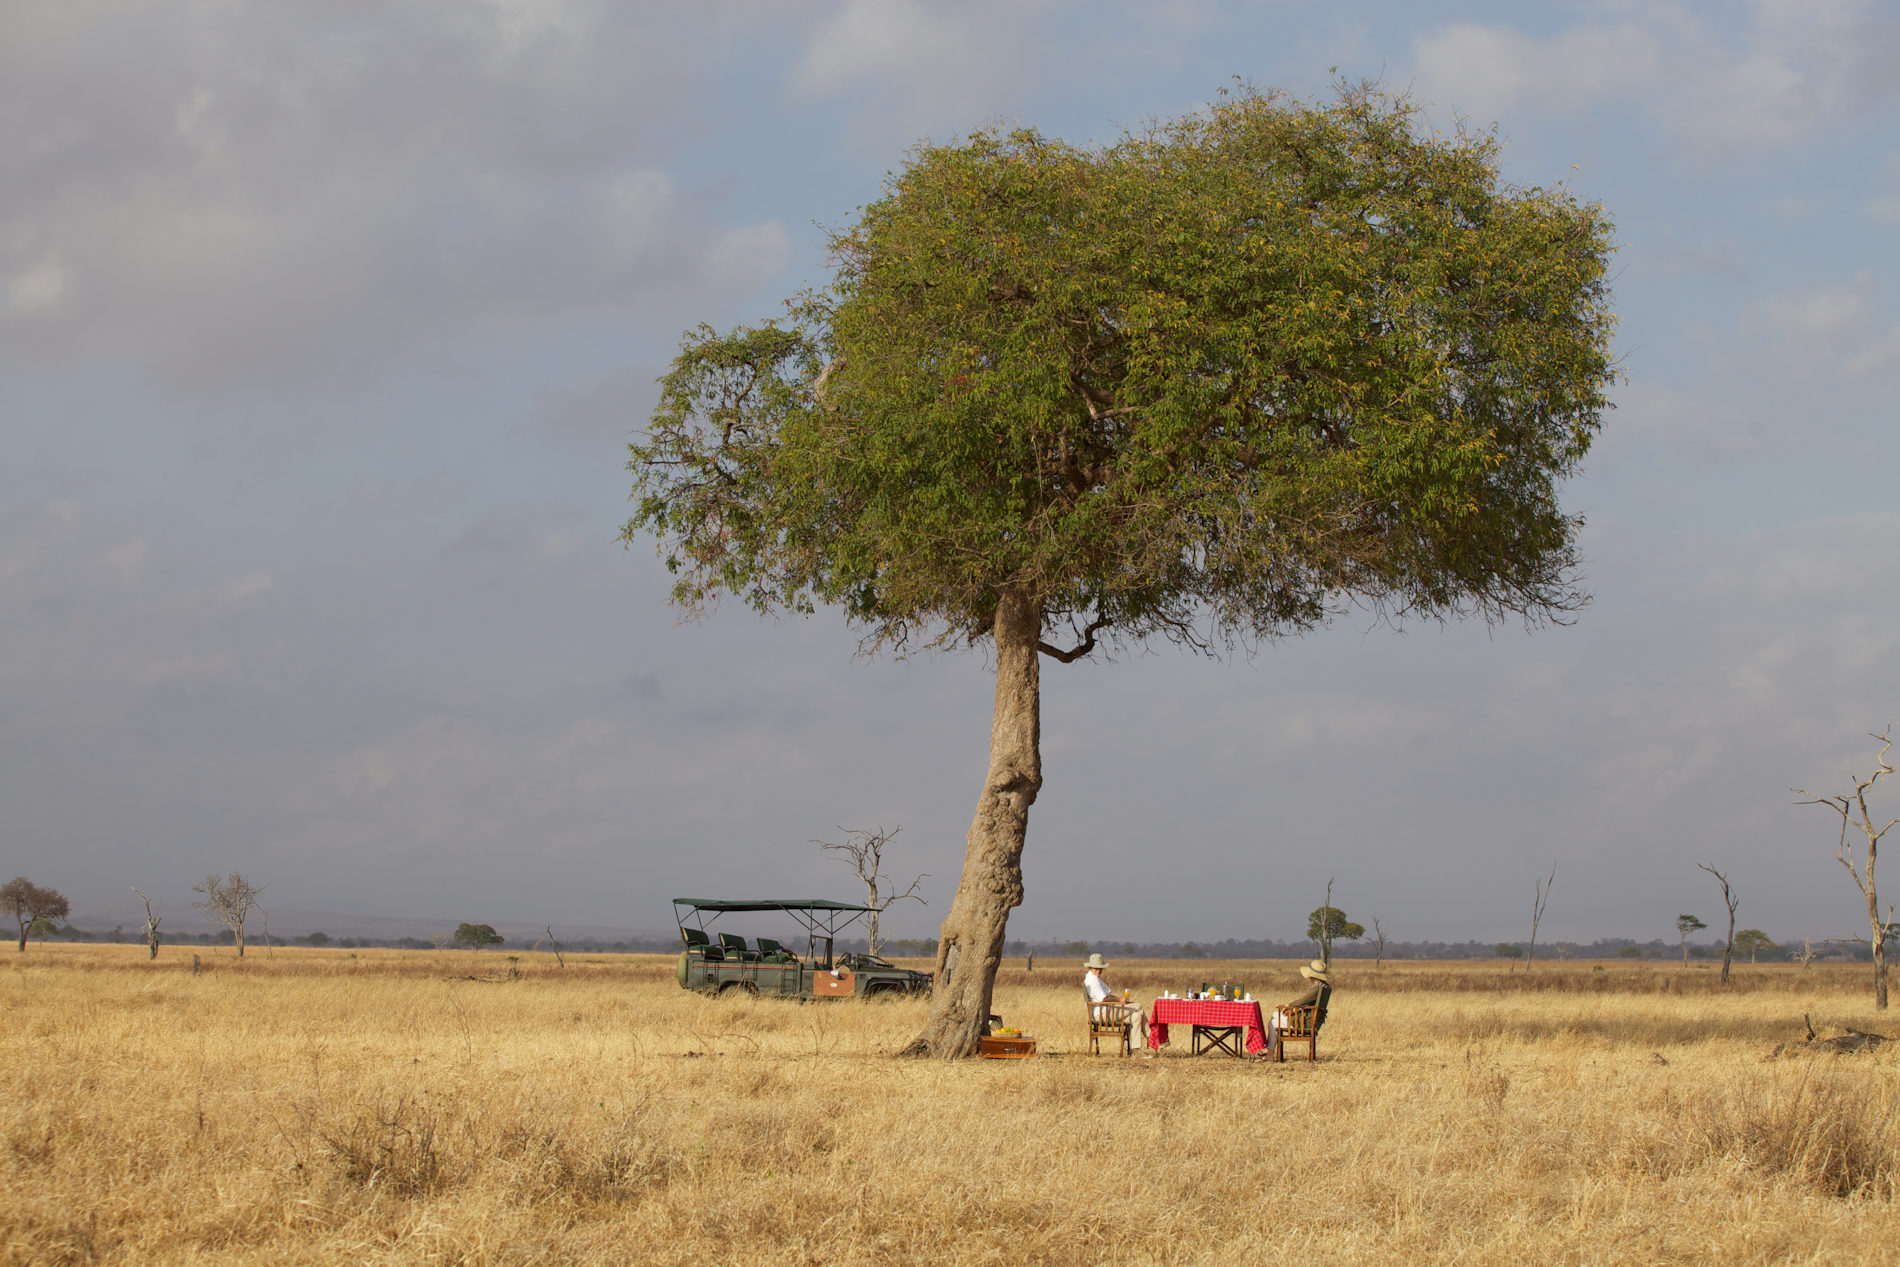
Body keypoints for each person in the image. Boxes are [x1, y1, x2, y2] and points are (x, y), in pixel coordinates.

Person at [1083, 952, 1150, 1052]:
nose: (1099, 970)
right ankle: (1151, 1037)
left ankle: (1136, 1049)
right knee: (1138, 1006)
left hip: (1105, 1011)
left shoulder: (1092, 978)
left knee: (1137, 1016)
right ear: (1090, 968)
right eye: (1096, 968)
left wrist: (1120, 999)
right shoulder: (1093, 980)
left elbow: (1107, 996)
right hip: (1103, 1014)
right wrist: (1119, 1000)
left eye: (1100, 968)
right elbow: (1104, 999)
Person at [1267, 959, 1331, 1058]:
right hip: (1312, 1020)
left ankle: (1269, 1053)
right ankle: (1269, 1051)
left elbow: (1303, 1001)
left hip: (1305, 1021)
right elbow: (1306, 1004)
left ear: (1312, 975)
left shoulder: (1317, 988)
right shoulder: (1325, 987)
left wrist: (1289, 1006)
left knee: (1273, 1020)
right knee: (1275, 1017)